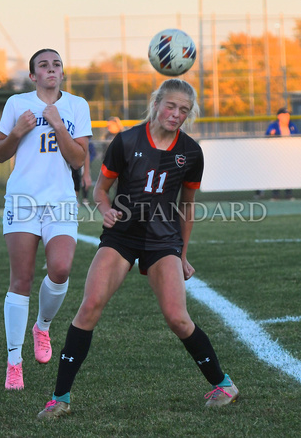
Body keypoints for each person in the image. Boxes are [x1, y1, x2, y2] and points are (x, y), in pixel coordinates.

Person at [37, 78, 239, 419]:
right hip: (121, 236)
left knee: (178, 318)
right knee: (89, 307)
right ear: (157, 103)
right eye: (171, 106)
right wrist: (105, 210)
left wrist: (182, 255)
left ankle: (224, 384)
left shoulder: (190, 152)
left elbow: (187, 206)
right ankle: (60, 398)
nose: (176, 115)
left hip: (163, 241)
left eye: (184, 110)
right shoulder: (127, 140)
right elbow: (99, 191)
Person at [0, 49, 92, 390]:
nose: (51, 69)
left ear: (62, 73)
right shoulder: (16, 104)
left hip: (60, 200)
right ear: (33, 75)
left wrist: (56, 124)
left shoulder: (77, 106)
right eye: (43, 65)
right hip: (22, 200)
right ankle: (13, 363)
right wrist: (19, 131)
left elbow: (79, 159)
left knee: (61, 268)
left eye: (56, 64)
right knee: (20, 281)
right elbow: (0, 153)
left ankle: (42, 326)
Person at [265, 107, 298, 200]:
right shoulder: (274, 125)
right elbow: (268, 134)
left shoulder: (292, 126)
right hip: (277, 154)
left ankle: (289, 194)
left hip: (289, 154)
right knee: (276, 173)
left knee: (289, 173)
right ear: (279, 116)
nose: (287, 117)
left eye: (288, 115)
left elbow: (297, 136)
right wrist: (271, 134)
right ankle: (275, 194)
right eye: (285, 115)